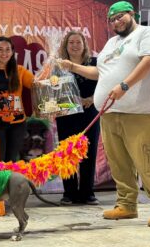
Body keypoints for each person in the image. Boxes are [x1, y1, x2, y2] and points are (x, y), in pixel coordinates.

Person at [59, 1, 150, 227]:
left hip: (141, 112)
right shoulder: (112, 42)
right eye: (112, 19)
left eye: (120, 16)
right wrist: (72, 67)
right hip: (111, 113)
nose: (116, 21)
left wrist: (124, 86)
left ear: (132, 14)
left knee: (148, 161)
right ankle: (126, 205)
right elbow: (99, 72)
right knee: (119, 163)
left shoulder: (147, 33)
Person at [56, 31, 100, 205]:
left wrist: (91, 99)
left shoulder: (94, 63)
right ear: (66, 46)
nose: (74, 45)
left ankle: (87, 193)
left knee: (89, 152)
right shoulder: (59, 66)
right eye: (71, 43)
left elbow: (105, 83)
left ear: (84, 45)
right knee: (67, 153)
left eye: (78, 42)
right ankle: (69, 193)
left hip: (89, 113)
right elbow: (52, 90)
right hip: (66, 114)